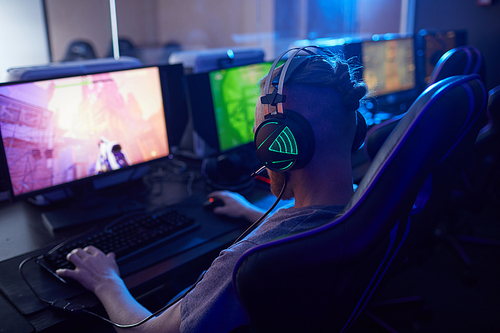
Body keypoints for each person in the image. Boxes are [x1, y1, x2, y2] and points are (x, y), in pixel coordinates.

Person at [56, 50, 368, 332]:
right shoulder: (372, 201)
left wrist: (106, 282)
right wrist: (250, 211)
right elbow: (309, 232)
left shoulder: (246, 262)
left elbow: (147, 332)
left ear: (279, 146)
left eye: (261, 139)